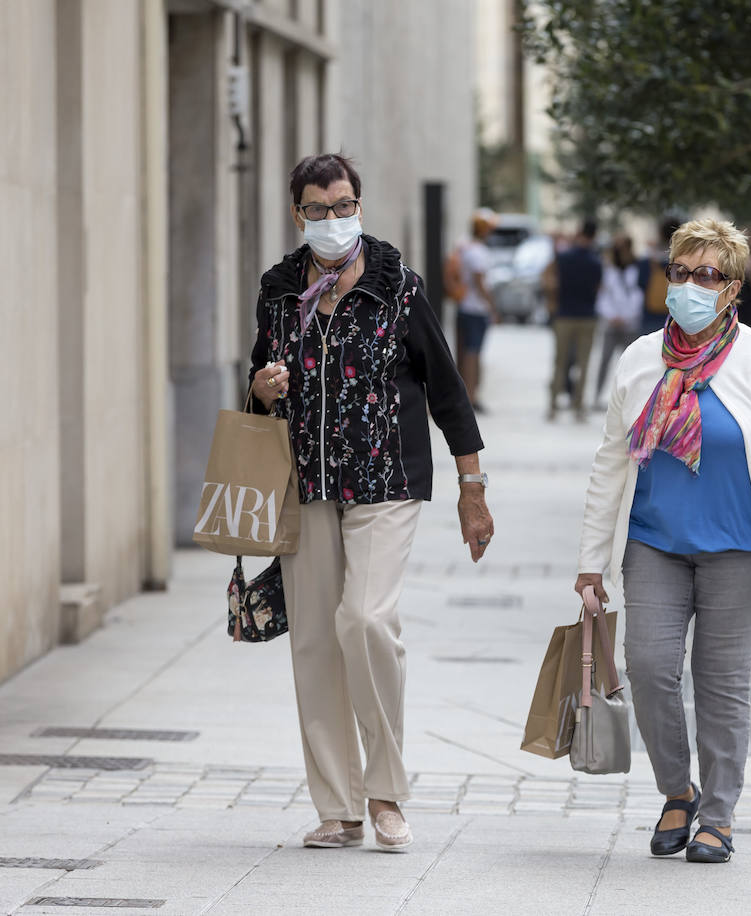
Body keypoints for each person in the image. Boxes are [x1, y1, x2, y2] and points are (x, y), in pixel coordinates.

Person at [247, 153, 494, 851]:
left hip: (387, 481)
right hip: (307, 484)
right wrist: (262, 387)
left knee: (364, 619)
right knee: (317, 643)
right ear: (299, 213)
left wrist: (472, 490)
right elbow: (258, 382)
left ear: (360, 204)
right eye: (319, 209)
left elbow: (447, 393)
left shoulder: (399, 288)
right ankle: (338, 807)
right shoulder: (276, 290)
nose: (334, 219)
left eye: (344, 204)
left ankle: (384, 791)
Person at [576, 218, 751, 864]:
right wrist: (590, 563)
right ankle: (678, 790)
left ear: (733, 288)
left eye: (707, 275)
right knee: (650, 668)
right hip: (654, 543)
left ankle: (718, 815)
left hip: (737, 549)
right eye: (681, 273)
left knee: (721, 684)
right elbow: (610, 463)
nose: (690, 285)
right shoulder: (639, 361)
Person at [544, 219, 603, 422]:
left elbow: (550, 278)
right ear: (594, 236)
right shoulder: (596, 261)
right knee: (583, 363)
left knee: (560, 361)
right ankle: (578, 406)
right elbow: (598, 288)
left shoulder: (564, 257)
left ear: (579, 233)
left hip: (564, 314)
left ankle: (552, 405)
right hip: (587, 316)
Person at [593, 233, 644, 406]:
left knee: (630, 363)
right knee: (605, 360)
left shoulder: (636, 269)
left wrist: (627, 316)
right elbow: (603, 297)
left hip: (630, 324)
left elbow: (639, 295)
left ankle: (629, 400)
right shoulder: (609, 270)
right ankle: (597, 396)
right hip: (611, 323)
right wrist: (611, 315)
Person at [455, 209, 499, 411]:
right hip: (476, 309)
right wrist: (492, 306)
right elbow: (480, 282)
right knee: (473, 354)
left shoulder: (465, 247)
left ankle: (466, 395)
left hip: (465, 307)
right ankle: (471, 397)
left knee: (466, 352)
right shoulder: (477, 252)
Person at [638, 216, 681, 337]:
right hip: (674, 317)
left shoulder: (648, 260)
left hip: (650, 315)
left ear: (660, 234)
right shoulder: (683, 262)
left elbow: (640, 284)